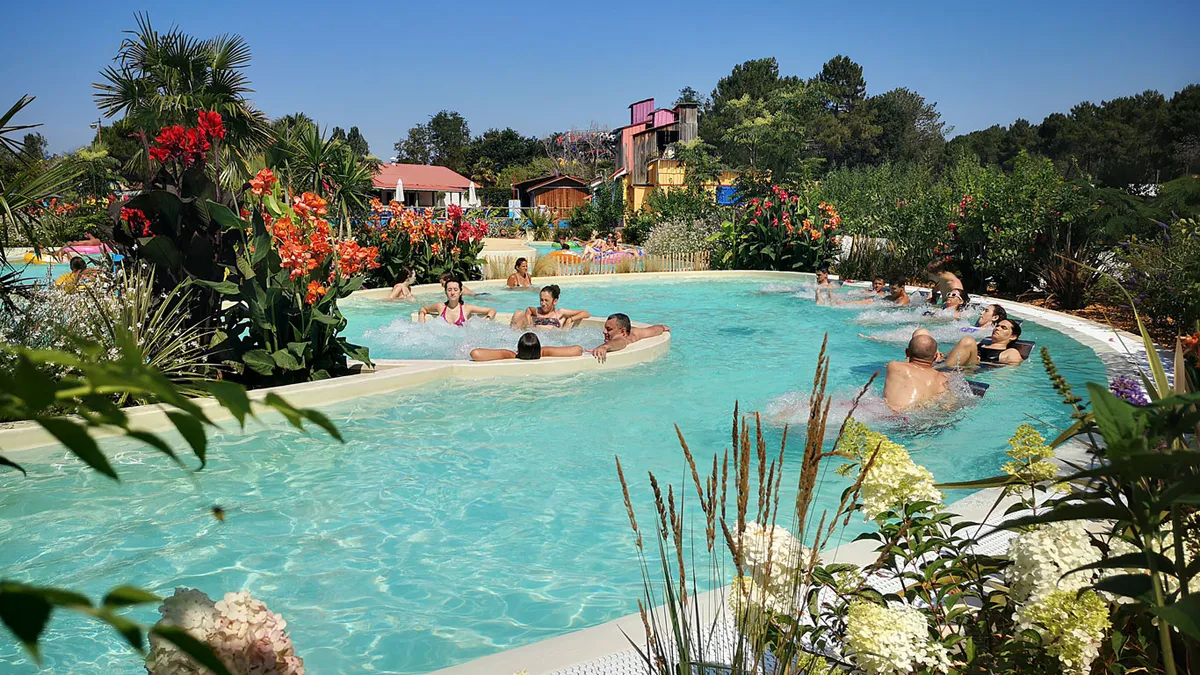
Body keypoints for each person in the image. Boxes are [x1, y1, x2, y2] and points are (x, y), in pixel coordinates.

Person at [882, 332, 949, 411]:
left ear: (907, 352)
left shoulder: (894, 366)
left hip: (891, 414)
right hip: (917, 417)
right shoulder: (943, 379)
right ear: (935, 357)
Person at [942, 318, 1026, 367]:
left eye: (1003, 328)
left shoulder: (1010, 353)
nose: (997, 328)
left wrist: (979, 362)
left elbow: (1010, 373)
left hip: (974, 372)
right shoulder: (978, 344)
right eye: (997, 326)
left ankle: (944, 370)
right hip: (960, 367)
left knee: (968, 340)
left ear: (1013, 336)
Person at [418, 278, 496, 325]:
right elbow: (423, 308)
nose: (452, 293)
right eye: (449, 290)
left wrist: (487, 320)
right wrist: (421, 317)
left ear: (460, 292)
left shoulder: (467, 308)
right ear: (445, 292)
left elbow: (492, 310)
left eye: (455, 290)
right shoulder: (440, 307)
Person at [510, 284, 591, 329]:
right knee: (518, 313)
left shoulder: (559, 312)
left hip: (552, 341)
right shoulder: (538, 311)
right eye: (541, 300)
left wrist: (570, 319)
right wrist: (529, 325)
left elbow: (585, 313)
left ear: (554, 301)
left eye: (546, 300)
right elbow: (529, 309)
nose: (543, 303)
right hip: (538, 340)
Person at [469, 332, 584, 362]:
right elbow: (578, 350)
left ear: (518, 349)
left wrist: (512, 354)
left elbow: (475, 353)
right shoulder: (544, 352)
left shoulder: (511, 355)